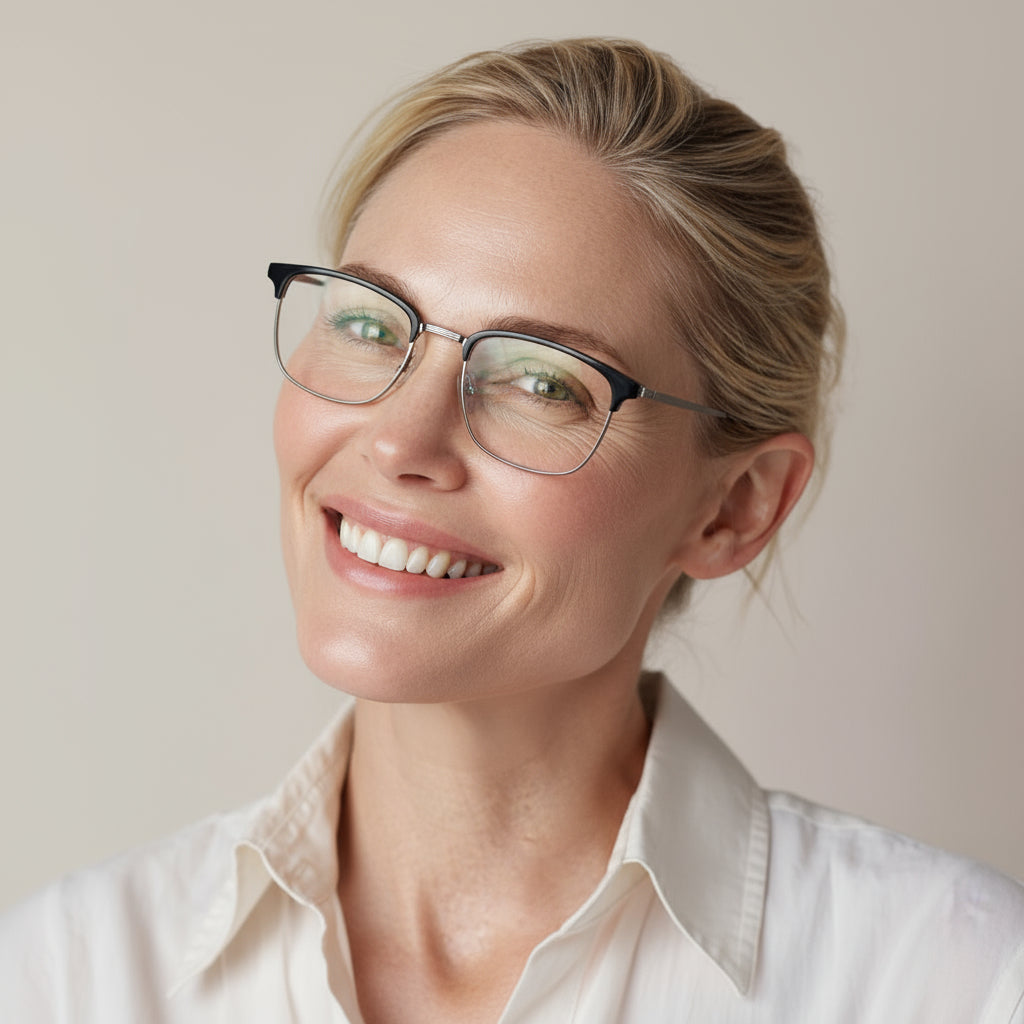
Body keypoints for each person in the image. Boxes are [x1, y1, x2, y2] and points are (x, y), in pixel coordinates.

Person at [2, 37, 1022, 1023]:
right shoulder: (58, 981)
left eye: (542, 381)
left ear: (734, 506)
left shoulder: (956, 985)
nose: (401, 439)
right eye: (370, 323)